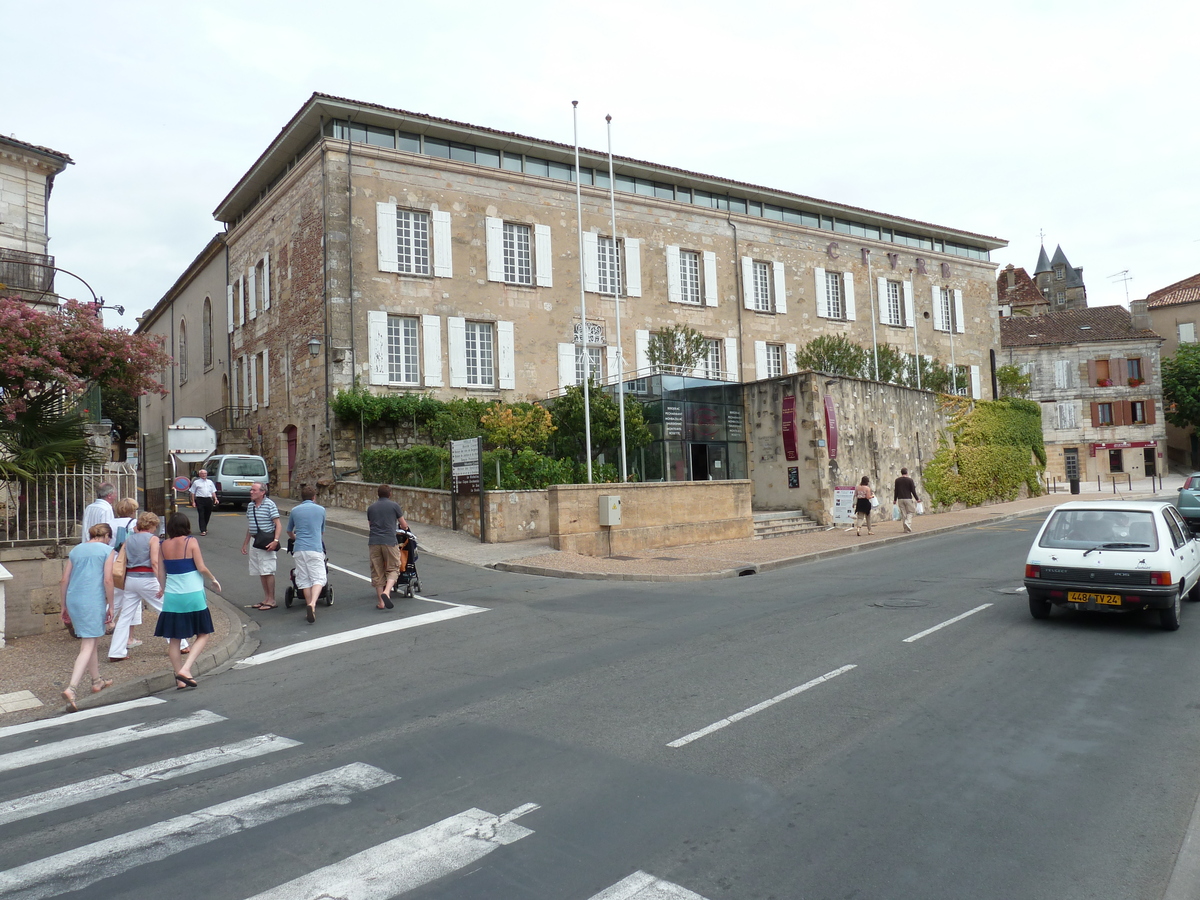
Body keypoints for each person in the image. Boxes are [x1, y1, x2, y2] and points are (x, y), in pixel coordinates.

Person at [156, 512, 221, 689]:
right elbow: (201, 567)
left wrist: (162, 588)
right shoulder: (190, 542)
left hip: (172, 595)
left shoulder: (162, 546)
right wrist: (213, 579)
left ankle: (179, 678)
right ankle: (186, 668)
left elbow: (161, 572)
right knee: (203, 633)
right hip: (192, 592)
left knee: (174, 638)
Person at [60, 522, 116, 711]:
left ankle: (97, 680)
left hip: (74, 598)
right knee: (88, 644)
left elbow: (64, 579)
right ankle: (72, 687)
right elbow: (108, 579)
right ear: (107, 536)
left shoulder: (76, 550)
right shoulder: (107, 551)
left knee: (91, 638)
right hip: (92, 599)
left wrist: (63, 605)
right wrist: (111, 605)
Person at [109, 510, 166, 662]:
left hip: (130, 579)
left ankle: (116, 651)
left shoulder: (129, 540)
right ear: (152, 525)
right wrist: (162, 584)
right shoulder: (152, 539)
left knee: (125, 616)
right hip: (147, 578)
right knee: (165, 610)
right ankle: (180, 645)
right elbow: (154, 562)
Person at [107, 498, 143, 661]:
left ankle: (105, 620)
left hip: (112, 561)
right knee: (133, 599)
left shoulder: (109, 523)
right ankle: (129, 637)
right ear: (132, 510)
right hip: (127, 562)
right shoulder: (134, 523)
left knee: (113, 596)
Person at [286, 485, 327, 624]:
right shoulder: (321, 510)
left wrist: (295, 537)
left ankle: (310, 606)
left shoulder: (294, 510)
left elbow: (289, 531)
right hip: (314, 547)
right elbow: (321, 532)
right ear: (314, 497)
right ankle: (313, 604)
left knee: (304, 579)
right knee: (319, 578)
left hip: (299, 548)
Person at [366, 484, 409, 610]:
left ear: (378, 494)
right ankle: (387, 592)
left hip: (374, 542)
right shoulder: (394, 506)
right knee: (393, 568)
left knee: (377, 571)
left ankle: (381, 603)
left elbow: (370, 525)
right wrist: (404, 528)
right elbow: (403, 524)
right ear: (389, 494)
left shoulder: (371, 508)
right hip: (389, 541)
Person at [241, 482, 282, 610]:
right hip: (255, 541)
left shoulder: (269, 505)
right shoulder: (251, 506)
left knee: (268, 570)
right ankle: (266, 598)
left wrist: (275, 541)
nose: (251, 492)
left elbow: (278, 524)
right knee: (260, 570)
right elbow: (251, 526)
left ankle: (272, 600)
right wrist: (245, 543)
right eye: (251, 490)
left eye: (254, 490)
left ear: (262, 492)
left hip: (266, 542)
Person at [188, 468, 219, 535]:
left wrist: (215, 498)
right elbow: (192, 492)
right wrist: (193, 502)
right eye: (202, 474)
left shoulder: (210, 482)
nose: (203, 475)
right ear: (199, 475)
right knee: (201, 514)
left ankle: (205, 527)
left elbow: (213, 491)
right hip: (200, 499)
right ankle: (203, 530)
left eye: (205, 473)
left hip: (208, 499)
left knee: (207, 514)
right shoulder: (196, 482)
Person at [893, 467, 922, 534]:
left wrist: (895, 499)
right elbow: (913, 491)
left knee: (903, 513)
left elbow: (896, 491)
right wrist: (917, 499)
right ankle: (908, 522)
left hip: (900, 499)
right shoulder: (910, 480)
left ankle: (905, 529)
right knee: (911, 511)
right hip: (908, 498)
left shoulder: (897, 480)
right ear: (907, 473)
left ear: (901, 473)